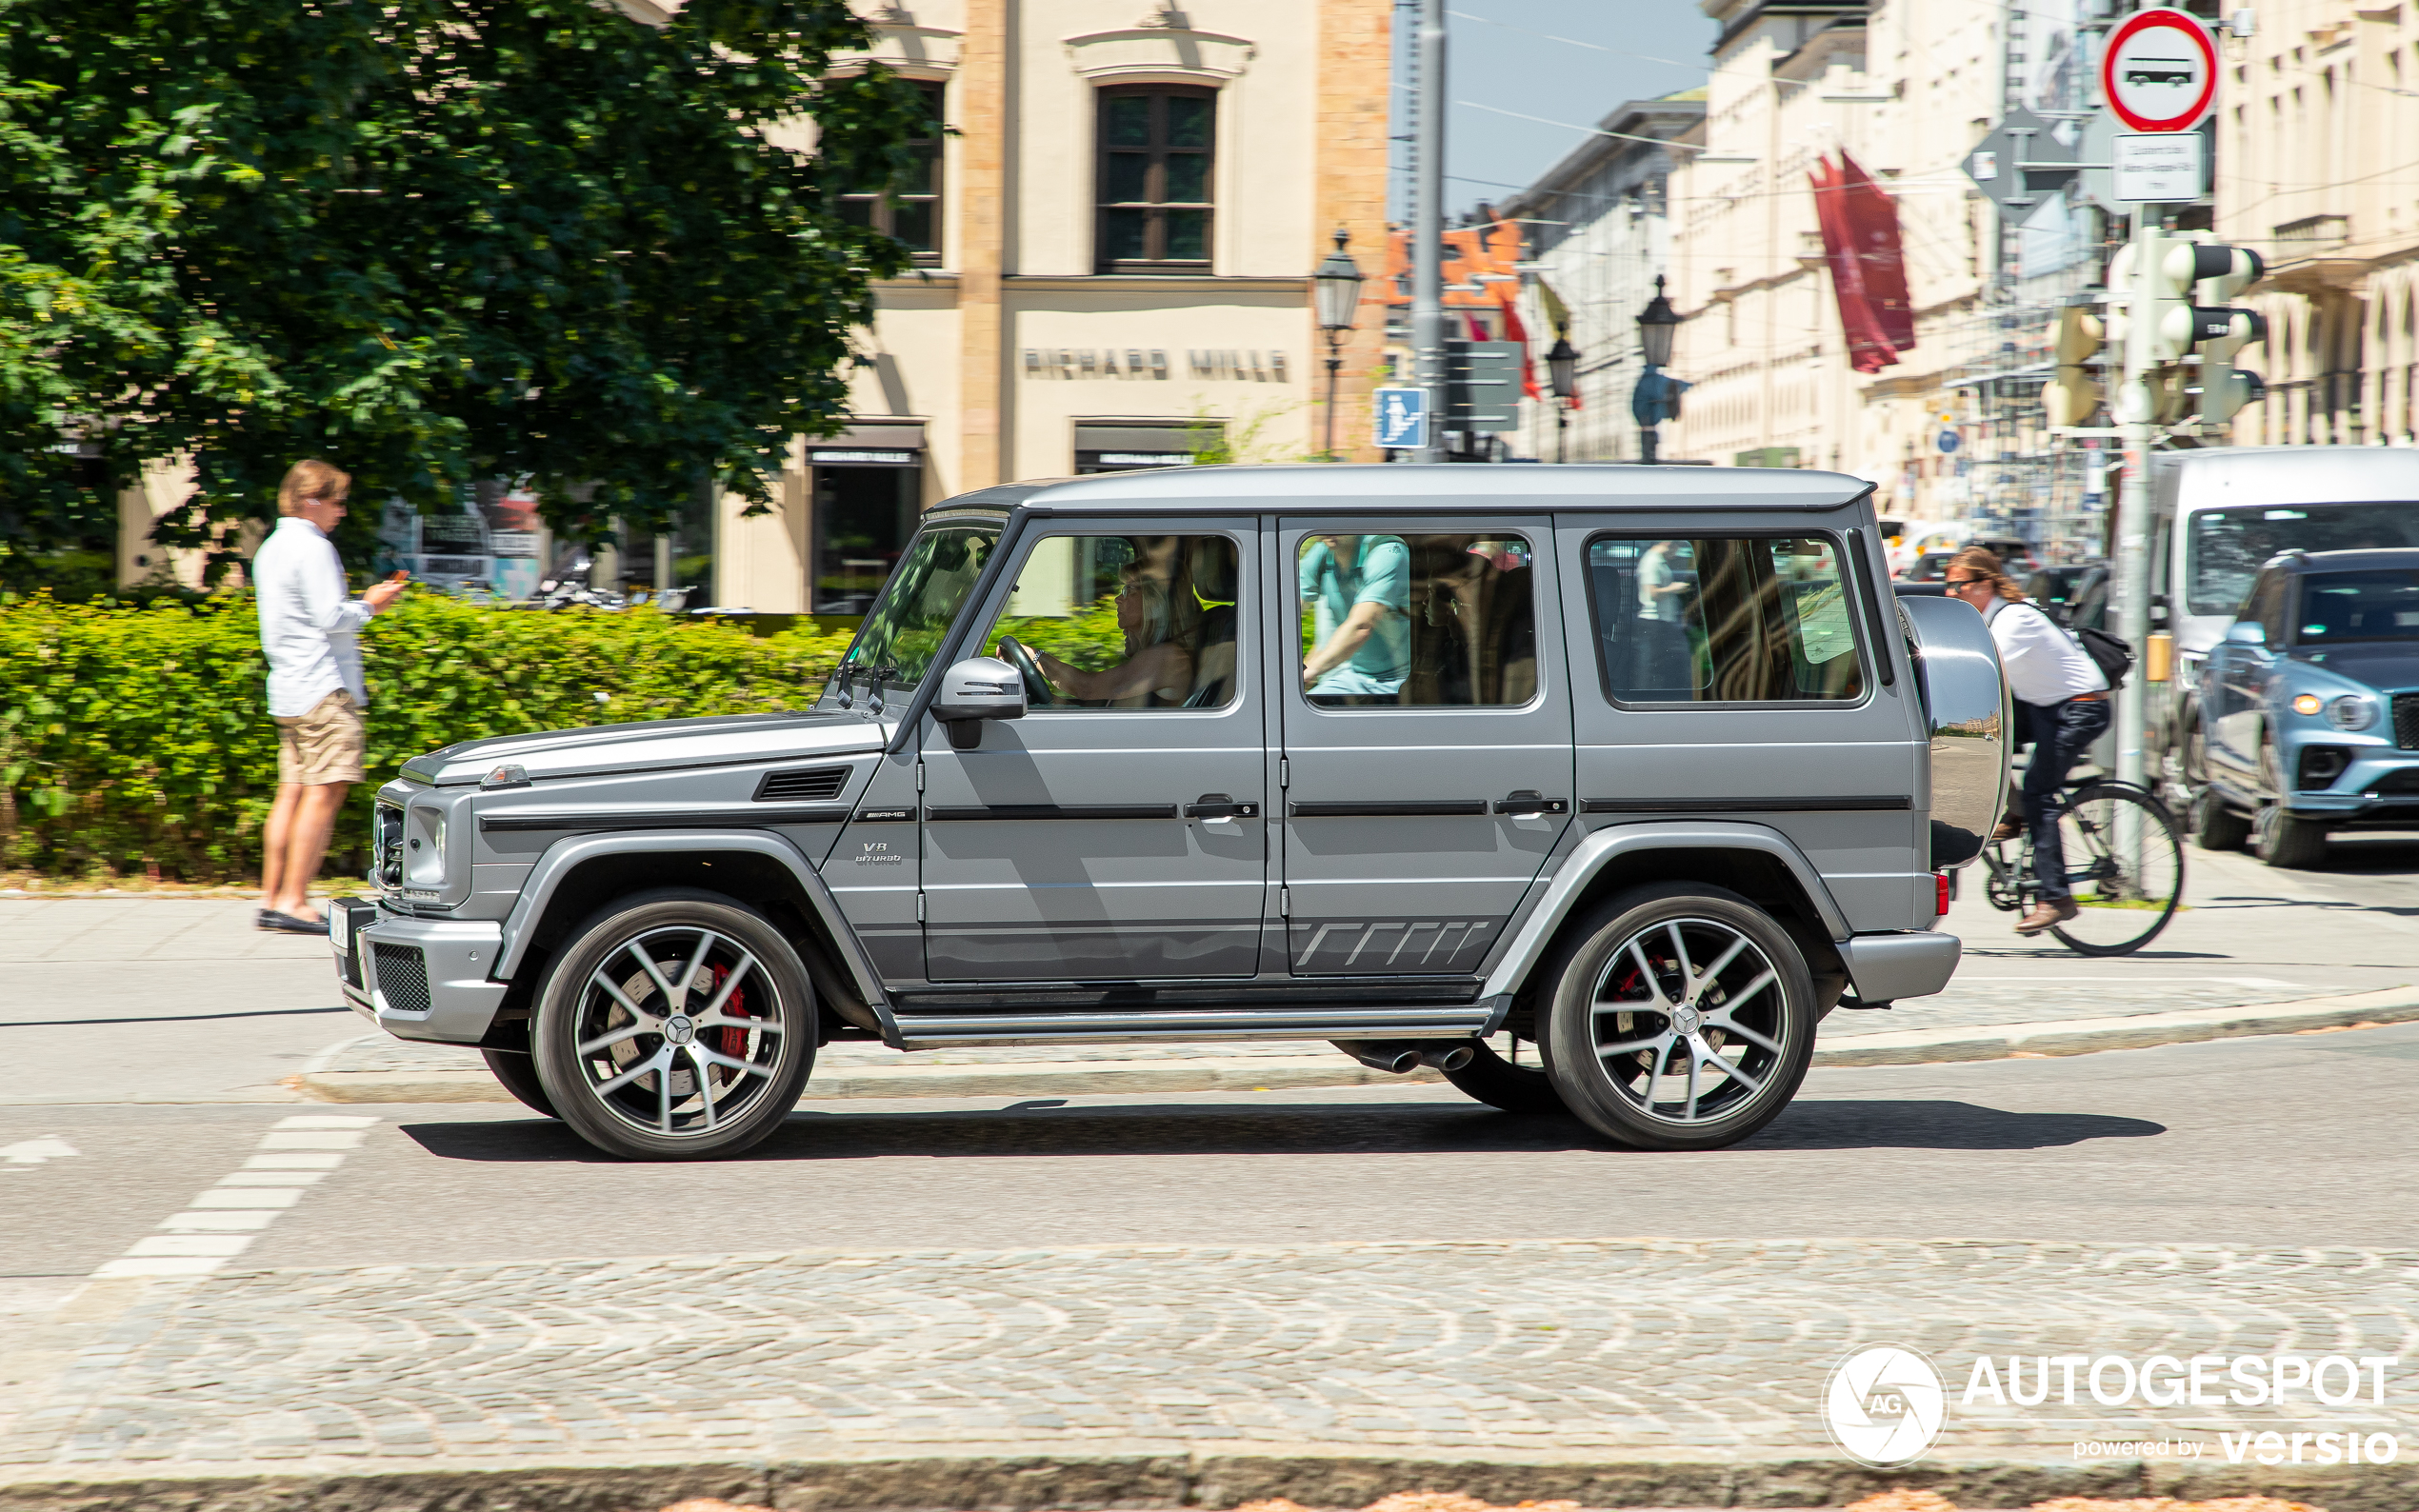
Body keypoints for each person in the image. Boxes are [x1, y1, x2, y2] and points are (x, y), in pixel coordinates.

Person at [252, 460, 408, 933]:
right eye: (337, 501)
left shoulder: (271, 547)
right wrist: (373, 603)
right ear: (311, 500)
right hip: (325, 689)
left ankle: (271, 896)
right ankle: (295, 901)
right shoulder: (313, 547)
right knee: (325, 792)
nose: (342, 511)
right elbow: (331, 617)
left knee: (291, 792)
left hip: (289, 688)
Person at [1944, 545, 2109, 936]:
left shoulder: (2012, 620)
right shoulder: (1989, 618)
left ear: (1986, 584)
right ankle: (2015, 814)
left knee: (2039, 792)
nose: (1951, 593)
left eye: (1959, 585)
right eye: (1948, 585)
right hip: (2044, 707)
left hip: (2079, 709)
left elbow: (1982, 670)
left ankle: (2055, 897)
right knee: (1976, 738)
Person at [1020, 567, 1194, 706]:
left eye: (1129, 590)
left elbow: (1087, 688)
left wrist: (1032, 656)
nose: (1118, 599)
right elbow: (1097, 705)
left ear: (1155, 601)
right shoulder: (1155, 654)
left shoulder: (1167, 657)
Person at [1299, 532, 1409, 699]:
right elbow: (1281, 612)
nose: (1327, 528)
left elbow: (1361, 626)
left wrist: (1306, 674)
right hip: (1355, 676)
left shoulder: (1387, 552)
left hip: (1400, 681)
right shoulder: (1321, 553)